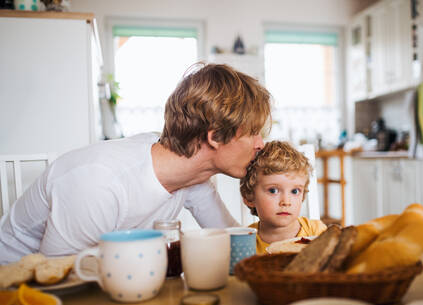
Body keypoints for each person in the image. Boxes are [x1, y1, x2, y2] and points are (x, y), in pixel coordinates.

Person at [0, 63, 272, 264]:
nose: (260, 143)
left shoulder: (193, 175)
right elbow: (59, 277)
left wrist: (280, 225)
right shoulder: (98, 182)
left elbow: (232, 238)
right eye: (252, 132)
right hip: (15, 287)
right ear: (214, 137)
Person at [240, 141, 326, 254]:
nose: (286, 202)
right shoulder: (245, 241)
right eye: (273, 190)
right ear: (249, 197)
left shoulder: (317, 232)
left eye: (295, 191)